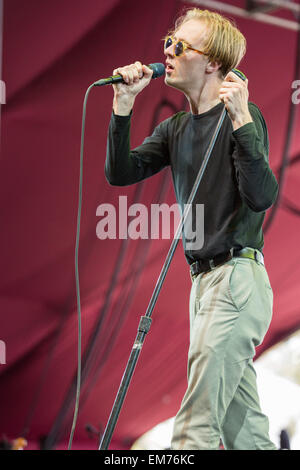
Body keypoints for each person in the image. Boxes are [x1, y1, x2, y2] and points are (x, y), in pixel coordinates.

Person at [105, 8, 278, 450]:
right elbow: (120, 172)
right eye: (169, 41)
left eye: (181, 46)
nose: (168, 51)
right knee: (245, 432)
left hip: (236, 280)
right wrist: (123, 106)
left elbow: (261, 196)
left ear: (213, 64)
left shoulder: (244, 117)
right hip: (204, 285)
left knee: (194, 427)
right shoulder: (175, 129)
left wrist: (241, 123)